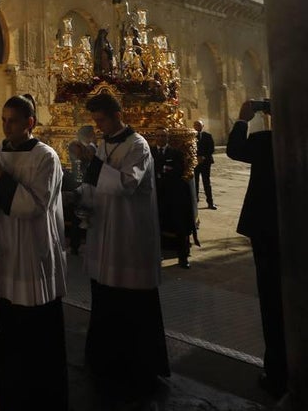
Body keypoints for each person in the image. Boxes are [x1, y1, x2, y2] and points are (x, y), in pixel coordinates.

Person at [0, 94, 68, 411]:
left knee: (27, 336)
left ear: (29, 123)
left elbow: (34, 205)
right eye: (3, 120)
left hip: (29, 251)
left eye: (12, 121)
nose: (5, 126)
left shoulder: (46, 158)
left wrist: (1, 178)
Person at [82, 90, 169, 402]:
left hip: (129, 236)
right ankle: (106, 360)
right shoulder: (104, 144)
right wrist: (83, 200)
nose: (98, 126)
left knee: (132, 304)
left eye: (101, 119)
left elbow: (126, 184)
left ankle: (139, 366)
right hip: (105, 232)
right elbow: (95, 186)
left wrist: (91, 166)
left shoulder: (138, 146)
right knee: (105, 298)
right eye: (95, 121)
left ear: (117, 115)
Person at [228, 100, 287, 399]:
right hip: (304, 229)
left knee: (273, 299)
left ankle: (278, 372)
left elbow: (234, 149)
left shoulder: (266, 141)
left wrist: (243, 119)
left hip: (266, 228)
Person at [152, 128, 194, 268]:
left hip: (173, 195)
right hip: (156, 195)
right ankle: (156, 256)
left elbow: (177, 170)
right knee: (155, 227)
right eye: (158, 135)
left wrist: (162, 171)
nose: (160, 138)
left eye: (163, 135)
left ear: (167, 137)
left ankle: (183, 258)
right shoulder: (150, 152)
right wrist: (163, 170)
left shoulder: (175, 153)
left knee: (179, 226)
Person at [194, 119, 217, 209]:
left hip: (205, 162)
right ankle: (195, 201)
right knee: (195, 182)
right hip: (195, 162)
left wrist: (203, 156)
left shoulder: (207, 136)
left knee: (206, 182)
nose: (197, 127)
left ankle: (210, 202)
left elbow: (211, 148)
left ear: (202, 126)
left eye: (199, 125)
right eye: (195, 125)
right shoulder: (191, 136)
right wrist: (196, 157)